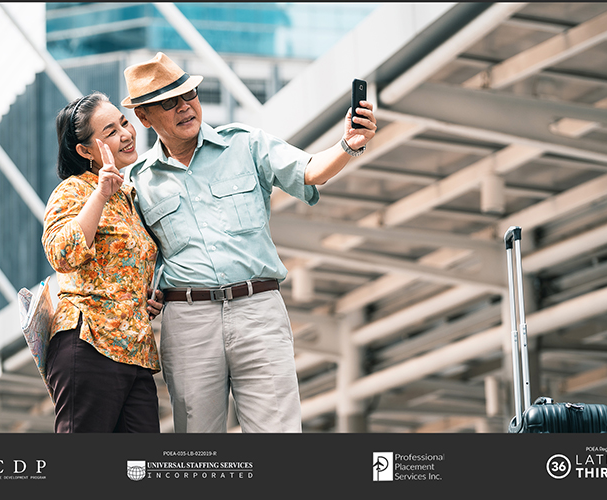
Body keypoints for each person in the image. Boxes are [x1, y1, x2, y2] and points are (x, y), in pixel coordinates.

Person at [122, 52, 377, 433]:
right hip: (188, 321)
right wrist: (143, 293)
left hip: (258, 310)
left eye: (189, 94)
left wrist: (348, 144)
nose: (185, 107)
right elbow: (132, 259)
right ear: (144, 117)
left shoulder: (245, 144)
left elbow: (310, 171)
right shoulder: (136, 182)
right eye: (168, 103)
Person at [42, 91, 164, 433]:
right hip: (89, 343)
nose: (125, 134)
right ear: (85, 151)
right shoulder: (74, 191)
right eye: (110, 131)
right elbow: (62, 254)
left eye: (124, 122)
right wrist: (101, 193)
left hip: (135, 352)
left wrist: (144, 295)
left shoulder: (129, 196)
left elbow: (124, 264)